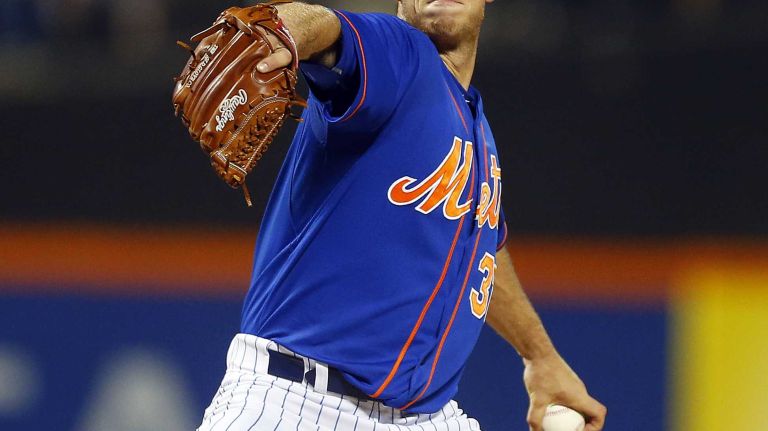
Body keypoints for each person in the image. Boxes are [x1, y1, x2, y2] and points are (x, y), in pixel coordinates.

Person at [196, 1, 606, 430]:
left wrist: (540, 356)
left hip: (425, 417)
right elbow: (329, 29)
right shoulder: (399, 54)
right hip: (299, 402)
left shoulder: (477, 132)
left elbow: (481, 254)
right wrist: (283, 30)